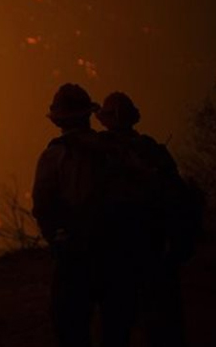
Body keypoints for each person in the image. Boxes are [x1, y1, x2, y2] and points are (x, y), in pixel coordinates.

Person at [33, 83, 140, 347]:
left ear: (58, 120)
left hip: (75, 254)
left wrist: (56, 240)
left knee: (70, 327)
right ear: (88, 114)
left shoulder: (54, 155)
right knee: (117, 330)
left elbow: (43, 206)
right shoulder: (115, 149)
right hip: (118, 251)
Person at [96, 92, 194, 347]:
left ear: (107, 119)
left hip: (119, 249)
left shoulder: (98, 152)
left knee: (118, 324)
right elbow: (178, 198)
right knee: (161, 323)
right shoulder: (153, 150)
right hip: (152, 246)